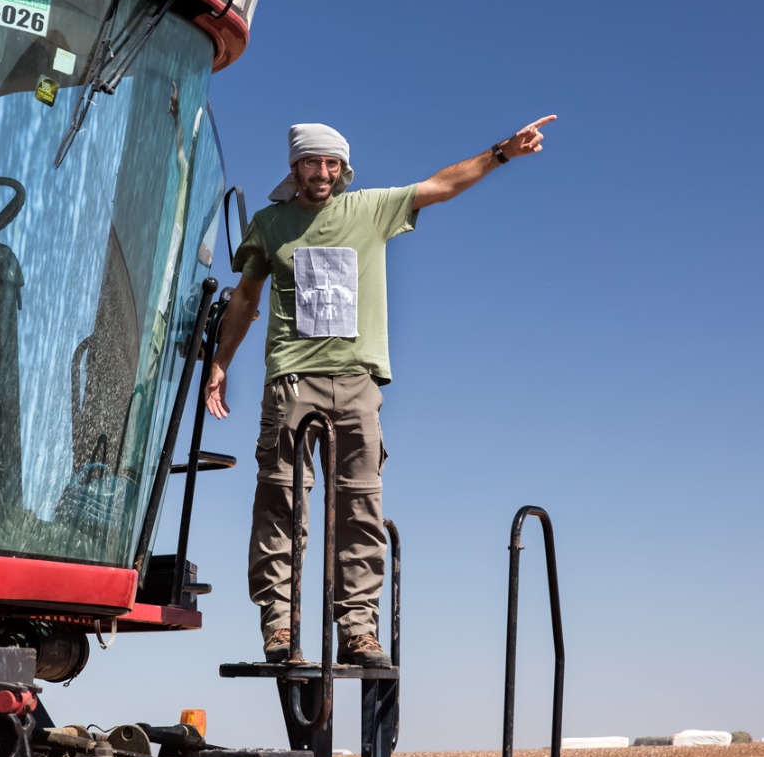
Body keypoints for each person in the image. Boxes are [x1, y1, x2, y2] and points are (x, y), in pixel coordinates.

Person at [206, 116, 556, 666]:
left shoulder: (370, 209)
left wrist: (502, 153)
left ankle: (358, 630)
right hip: (291, 383)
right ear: (294, 168)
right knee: (280, 505)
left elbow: (442, 185)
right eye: (311, 162)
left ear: (343, 170)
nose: (321, 172)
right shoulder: (270, 224)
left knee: (359, 508)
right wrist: (220, 362)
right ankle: (279, 629)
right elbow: (245, 300)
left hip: (357, 383)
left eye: (331, 163)